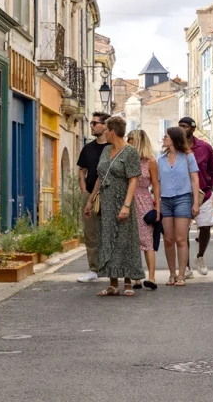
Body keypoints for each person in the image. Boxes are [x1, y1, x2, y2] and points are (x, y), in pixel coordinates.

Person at [85, 115, 146, 297]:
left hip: (122, 200)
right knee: (107, 240)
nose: (105, 134)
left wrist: (126, 205)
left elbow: (134, 179)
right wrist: (90, 200)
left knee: (124, 241)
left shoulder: (130, 152)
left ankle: (127, 282)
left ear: (112, 131)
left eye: (106, 131)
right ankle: (112, 284)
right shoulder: (106, 151)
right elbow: (100, 176)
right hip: (106, 202)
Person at [178, 117, 213, 276]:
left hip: (204, 192)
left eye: (185, 126)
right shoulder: (175, 148)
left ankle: (200, 256)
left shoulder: (205, 147)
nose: (182, 129)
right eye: (180, 126)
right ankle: (186, 266)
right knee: (183, 231)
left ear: (193, 129)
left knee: (205, 226)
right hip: (182, 194)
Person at [157, 126, 200, 287]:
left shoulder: (188, 157)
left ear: (174, 138)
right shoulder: (160, 160)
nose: (164, 138)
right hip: (165, 200)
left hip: (183, 198)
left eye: (166, 136)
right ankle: (172, 273)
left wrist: (195, 202)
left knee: (181, 239)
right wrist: (157, 204)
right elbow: (158, 183)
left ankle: (182, 274)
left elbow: (195, 180)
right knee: (168, 239)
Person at [76, 111, 110, 283]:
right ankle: (93, 269)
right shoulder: (88, 148)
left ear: (105, 125)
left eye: (95, 123)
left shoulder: (113, 147)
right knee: (90, 233)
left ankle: (112, 268)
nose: (92, 126)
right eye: (92, 123)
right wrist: (84, 192)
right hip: (89, 193)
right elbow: (82, 171)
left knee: (111, 231)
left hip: (110, 194)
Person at [127, 128, 161, 290]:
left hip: (144, 201)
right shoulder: (127, 159)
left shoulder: (150, 161)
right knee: (131, 240)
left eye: (130, 139)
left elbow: (156, 185)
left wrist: (158, 208)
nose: (127, 142)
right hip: (128, 200)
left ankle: (152, 277)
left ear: (138, 141)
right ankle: (136, 278)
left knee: (147, 241)